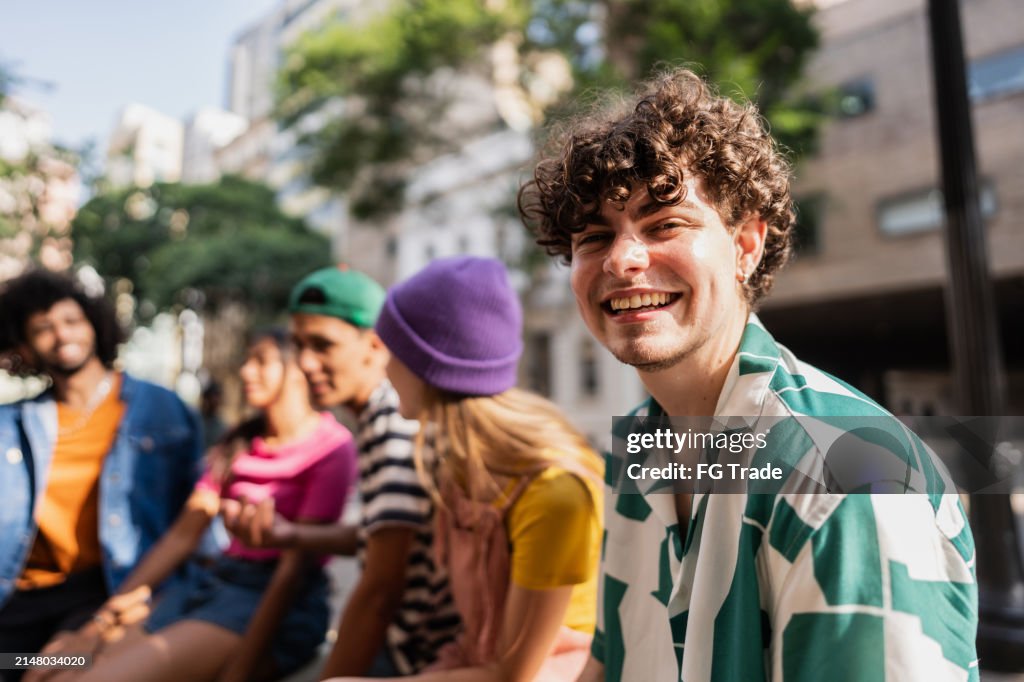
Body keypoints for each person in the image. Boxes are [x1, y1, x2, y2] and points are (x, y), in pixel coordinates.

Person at [518, 68, 978, 681]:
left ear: (746, 245)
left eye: (665, 224)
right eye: (595, 237)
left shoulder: (846, 473)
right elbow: (612, 664)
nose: (624, 259)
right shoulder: (640, 447)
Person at [331, 256, 604, 682]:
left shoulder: (554, 491)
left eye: (394, 350)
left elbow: (515, 672)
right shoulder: (459, 462)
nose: (384, 365)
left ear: (429, 367)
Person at [44, 327, 357, 682]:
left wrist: (239, 671)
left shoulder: (331, 448)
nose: (245, 371)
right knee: (46, 667)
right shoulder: (239, 441)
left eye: (262, 361)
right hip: (211, 583)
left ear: (299, 368)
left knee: (97, 678)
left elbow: (291, 573)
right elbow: (181, 537)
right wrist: (96, 627)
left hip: (271, 602)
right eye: (247, 360)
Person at [222, 266, 460, 677]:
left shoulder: (395, 423)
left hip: (415, 658)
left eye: (322, 345)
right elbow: (385, 534)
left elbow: (379, 592)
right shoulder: (375, 416)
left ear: (374, 345)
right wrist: (291, 534)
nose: (306, 363)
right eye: (298, 345)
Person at [0, 270, 202, 682]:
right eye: (43, 328)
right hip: (19, 596)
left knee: (53, 671)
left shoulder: (162, 410)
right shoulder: (9, 425)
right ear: (23, 345)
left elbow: (195, 520)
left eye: (71, 320)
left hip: (106, 592)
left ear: (94, 323)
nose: (61, 334)